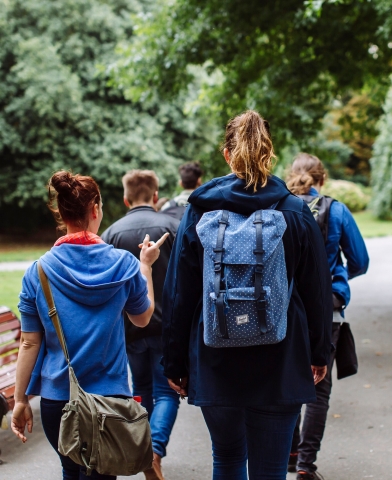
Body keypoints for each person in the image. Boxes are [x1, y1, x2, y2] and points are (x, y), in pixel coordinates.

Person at [161, 110, 333, 480]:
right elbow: (317, 290)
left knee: (226, 458)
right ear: (269, 155)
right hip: (281, 359)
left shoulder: (199, 210)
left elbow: (179, 291)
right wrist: (319, 353)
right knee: (271, 470)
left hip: (214, 359)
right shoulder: (295, 212)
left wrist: (174, 362)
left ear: (227, 154)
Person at [11, 171, 168, 480]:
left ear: (61, 212)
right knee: (103, 473)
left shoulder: (38, 272)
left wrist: (19, 400)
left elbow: (29, 343)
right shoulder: (124, 264)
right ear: (95, 209)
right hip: (111, 400)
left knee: (71, 471)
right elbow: (143, 317)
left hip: (60, 399)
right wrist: (145, 267)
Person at [286, 153, 369, 480]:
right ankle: (307, 464)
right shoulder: (336, 210)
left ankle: (289, 453)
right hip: (328, 308)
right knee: (320, 388)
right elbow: (360, 260)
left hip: (288, 310)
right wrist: (337, 277)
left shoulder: (280, 208)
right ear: (322, 180)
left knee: (289, 381)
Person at [101, 170, 180, 480]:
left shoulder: (111, 234)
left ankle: (146, 449)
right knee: (168, 393)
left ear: (125, 198)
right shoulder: (174, 227)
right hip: (168, 327)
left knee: (141, 390)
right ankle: (155, 450)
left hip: (130, 328)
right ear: (156, 196)